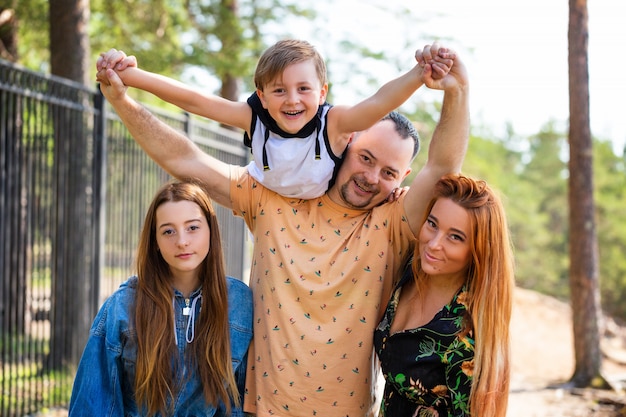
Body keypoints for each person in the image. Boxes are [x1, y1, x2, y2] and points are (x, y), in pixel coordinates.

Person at [96, 43, 469, 417]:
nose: (371, 178)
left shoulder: (394, 222)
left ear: (403, 177)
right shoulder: (270, 195)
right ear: (348, 140)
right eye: (366, 159)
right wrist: (123, 102)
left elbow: (442, 168)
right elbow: (185, 159)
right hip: (261, 409)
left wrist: (456, 91)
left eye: (388, 173)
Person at [97, 39, 453, 199]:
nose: (293, 99)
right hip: (263, 191)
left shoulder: (335, 125)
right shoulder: (254, 117)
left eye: (303, 89)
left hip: (318, 201)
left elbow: (378, 102)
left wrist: (419, 73)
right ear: (262, 96)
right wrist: (130, 76)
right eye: (279, 90)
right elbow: (197, 100)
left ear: (322, 92)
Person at [68, 180, 253, 417]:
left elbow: (242, 402)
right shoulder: (122, 307)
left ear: (211, 230)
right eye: (168, 231)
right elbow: (92, 406)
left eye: (193, 227)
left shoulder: (238, 302)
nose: (182, 241)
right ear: (155, 241)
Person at [374, 174, 514, 417]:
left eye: (455, 237)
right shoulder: (410, 268)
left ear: (478, 251)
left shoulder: (466, 339)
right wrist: (399, 202)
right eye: (432, 224)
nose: (434, 243)